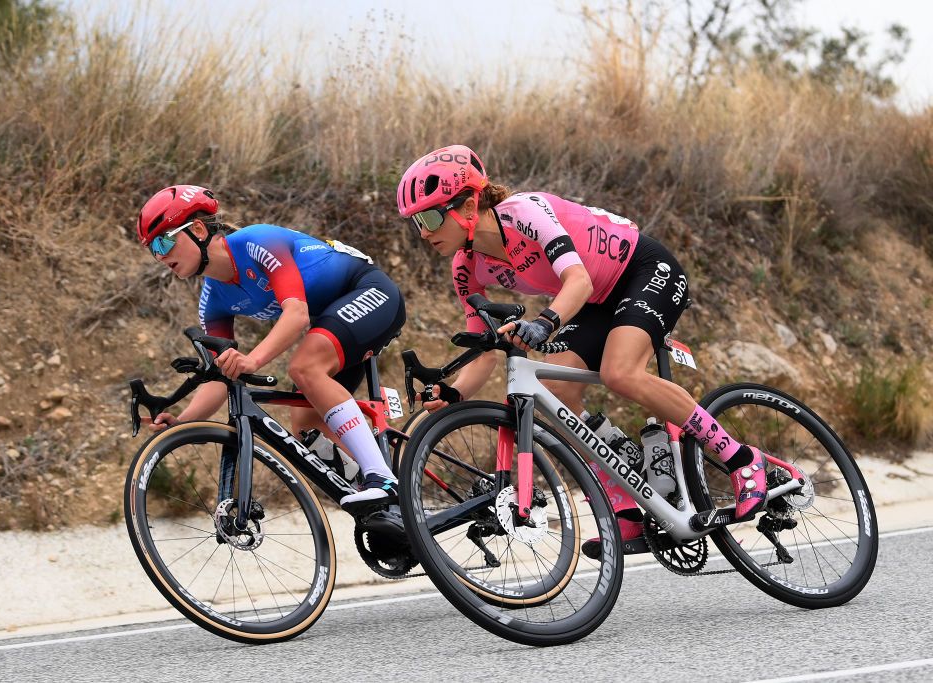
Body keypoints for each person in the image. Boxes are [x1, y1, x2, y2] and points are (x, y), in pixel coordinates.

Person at [396, 145, 770, 554]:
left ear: (468, 206)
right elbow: (484, 348)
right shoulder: (465, 267)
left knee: (620, 372)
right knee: (557, 392)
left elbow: (577, 280)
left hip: (642, 271)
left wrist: (544, 323)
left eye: (430, 217)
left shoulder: (523, 213)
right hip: (595, 303)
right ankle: (626, 506)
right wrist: (453, 393)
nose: (423, 232)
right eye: (416, 222)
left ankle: (740, 458)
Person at [136, 185, 405, 511]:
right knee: (306, 424)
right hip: (332, 322)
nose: (161, 256)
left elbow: (296, 314)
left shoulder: (257, 242)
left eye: (164, 241)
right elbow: (221, 378)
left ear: (196, 229)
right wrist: (182, 423)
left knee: (304, 367)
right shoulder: (213, 300)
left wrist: (252, 360)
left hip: (370, 291)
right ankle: (390, 506)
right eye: (153, 250)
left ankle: (382, 478)